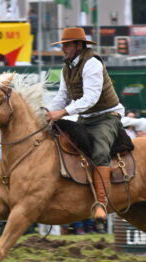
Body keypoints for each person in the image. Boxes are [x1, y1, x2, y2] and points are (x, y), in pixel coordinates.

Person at [46, 27, 125, 222]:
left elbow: (91, 98)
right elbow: (62, 97)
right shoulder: (67, 67)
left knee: (99, 151)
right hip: (86, 117)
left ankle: (101, 203)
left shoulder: (92, 64)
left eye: (66, 45)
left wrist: (62, 113)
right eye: (62, 45)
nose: (63, 49)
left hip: (107, 116)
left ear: (78, 45)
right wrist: (46, 114)